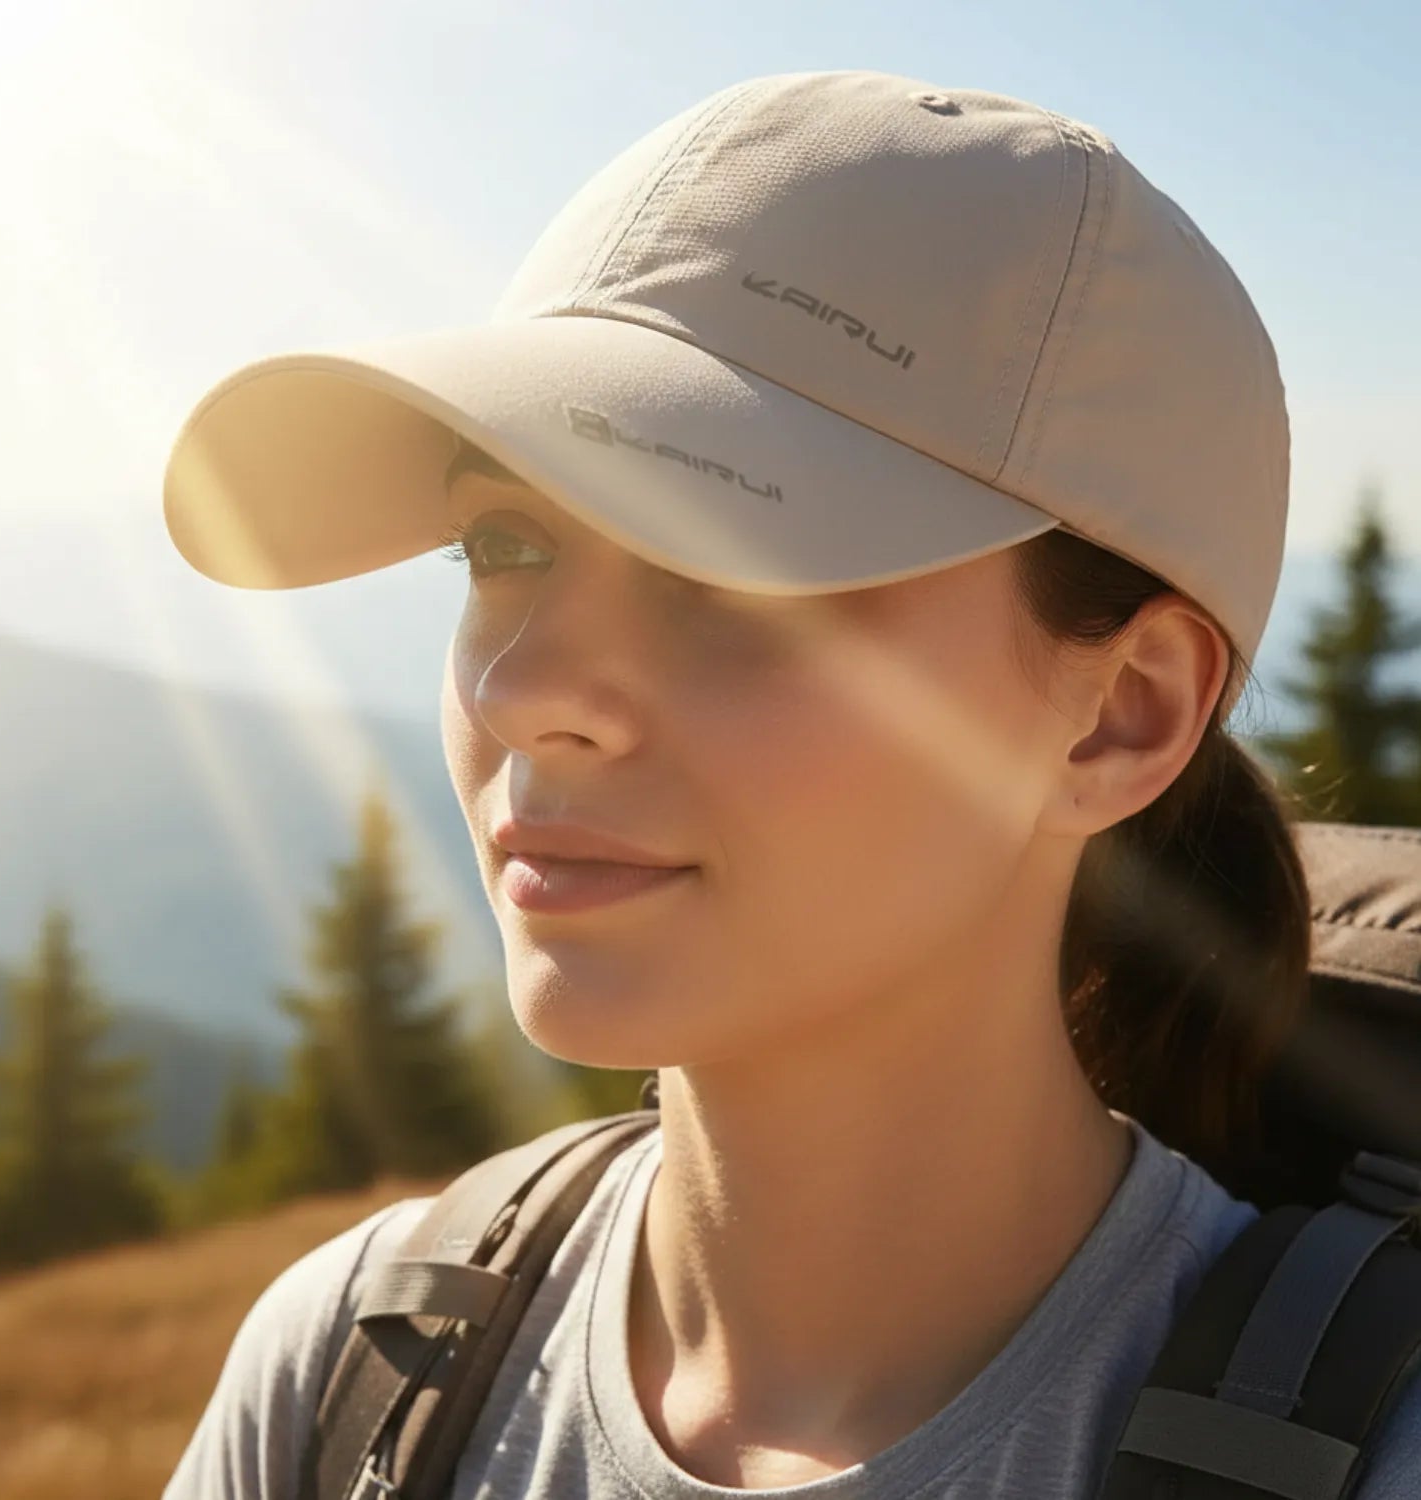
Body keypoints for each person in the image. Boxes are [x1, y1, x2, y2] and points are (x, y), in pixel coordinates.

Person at [160, 69, 1421, 1497]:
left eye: (726, 570)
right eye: (505, 545)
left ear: (1120, 721)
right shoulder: (352, 1370)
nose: (522, 691)